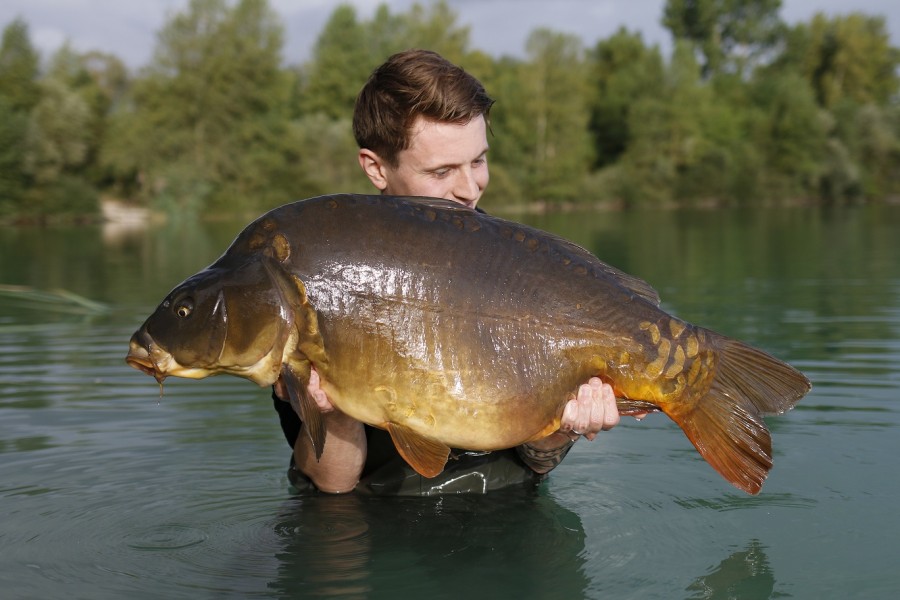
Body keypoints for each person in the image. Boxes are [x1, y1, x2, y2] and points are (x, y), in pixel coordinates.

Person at [273, 49, 622, 495]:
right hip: (377, 525)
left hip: (508, 516)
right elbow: (334, 487)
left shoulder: (524, 269)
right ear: (376, 168)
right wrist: (335, 410)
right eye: (442, 171)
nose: (469, 188)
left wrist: (566, 427)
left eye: (478, 161)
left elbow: (537, 466)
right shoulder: (320, 277)